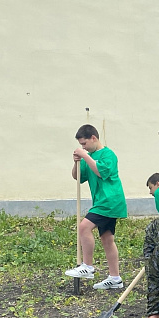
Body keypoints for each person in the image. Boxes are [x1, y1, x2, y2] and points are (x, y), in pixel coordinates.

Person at [65, 124, 127, 290]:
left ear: (94, 138)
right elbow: (78, 177)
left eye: (84, 143)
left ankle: (88, 266)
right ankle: (115, 278)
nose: (82, 147)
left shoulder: (108, 154)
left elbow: (101, 172)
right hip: (101, 201)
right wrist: (76, 162)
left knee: (84, 227)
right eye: (81, 145)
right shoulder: (89, 156)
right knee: (107, 239)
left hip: (110, 200)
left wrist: (85, 156)